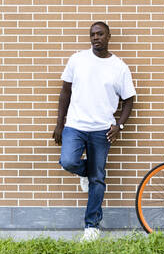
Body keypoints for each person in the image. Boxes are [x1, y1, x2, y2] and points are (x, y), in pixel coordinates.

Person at [52, 22, 135, 242]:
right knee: (68, 161)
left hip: (102, 130)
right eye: (92, 35)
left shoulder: (119, 67)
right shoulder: (77, 59)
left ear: (109, 36)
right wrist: (59, 123)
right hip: (76, 126)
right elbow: (65, 93)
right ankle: (85, 172)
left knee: (98, 179)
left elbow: (129, 100)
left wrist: (120, 126)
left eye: (100, 34)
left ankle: (92, 226)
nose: (95, 38)